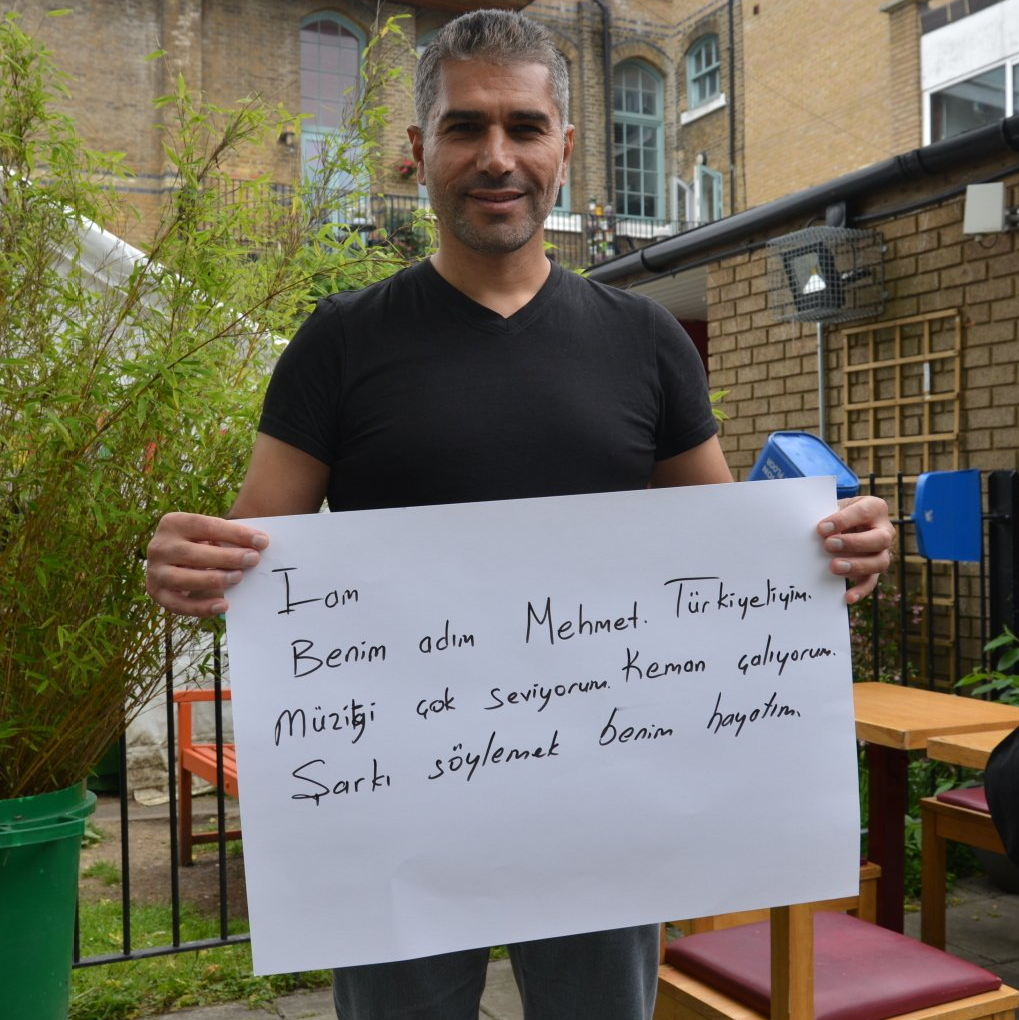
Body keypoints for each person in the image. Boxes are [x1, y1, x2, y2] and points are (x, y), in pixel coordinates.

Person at [145, 10, 895, 1019]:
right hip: (393, 812)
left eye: (522, 126)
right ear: (417, 152)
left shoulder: (643, 342)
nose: (495, 157)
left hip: (600, 803)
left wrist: (821, 561)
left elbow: (724, 565)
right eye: (463, 127)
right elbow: (242, 555)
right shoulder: (339, 342)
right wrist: (191, 568)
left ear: (564, 149)